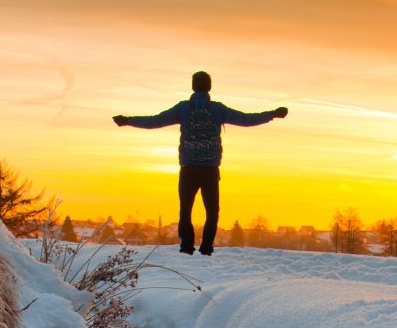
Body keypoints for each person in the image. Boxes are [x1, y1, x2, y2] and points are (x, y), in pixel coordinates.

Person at [113, 72, 288, 254]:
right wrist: (272, 114)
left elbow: (155, 121)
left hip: (188, 169)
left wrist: (128, 120)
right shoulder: (218, 109)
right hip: (210, 170)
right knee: (212, 212)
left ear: (192, 86)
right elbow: (246, 120)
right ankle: (206, 247)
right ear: (209, 87)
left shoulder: (183, 108)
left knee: (185, 210)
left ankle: (187, 246)